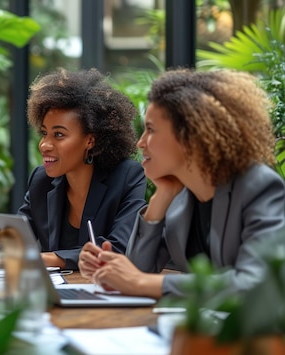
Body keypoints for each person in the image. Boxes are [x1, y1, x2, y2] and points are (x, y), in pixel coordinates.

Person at [78, 69, 285, 298]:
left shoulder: (259, 187)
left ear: (191, 136)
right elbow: (139, 271)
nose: (140, 143)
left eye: (151, 129)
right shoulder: (181, 199)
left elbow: (257, 282)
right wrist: (161, 197)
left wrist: (139, 281)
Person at [17, 68, 147, 270]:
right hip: (56, 294)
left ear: (90, 140)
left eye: (58, 135)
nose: (44, 145)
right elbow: (16, 240)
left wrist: (48, 259)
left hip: (106, 294)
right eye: (44, 133)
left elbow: (118, 249)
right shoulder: (41, 180)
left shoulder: (126, 177)